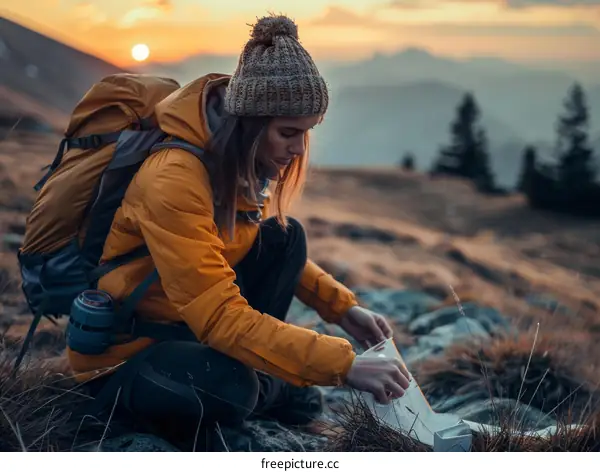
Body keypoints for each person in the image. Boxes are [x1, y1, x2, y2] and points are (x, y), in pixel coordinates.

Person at [74, 13, 410, 446]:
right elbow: (216, 314)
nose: (298, 148)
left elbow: (251, 248)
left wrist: (344, 309)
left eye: (307, 133)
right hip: (130, 352)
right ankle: (248, 381)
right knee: (236, 389)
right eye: (288, 132)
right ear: (250, 124)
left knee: (285, 238)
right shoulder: (173, 178)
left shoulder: (239, 168)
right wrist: (344, 366)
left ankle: (258, 376)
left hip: (191, 330)